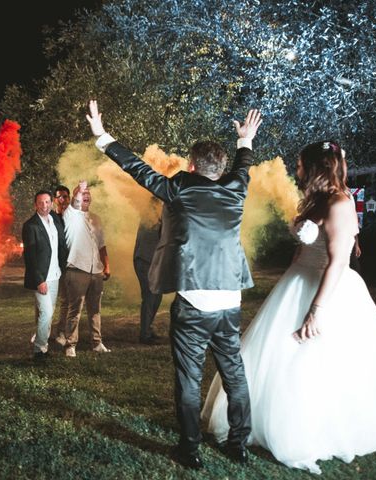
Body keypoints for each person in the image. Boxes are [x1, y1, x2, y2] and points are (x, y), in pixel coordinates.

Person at [202, 141, 376, 473]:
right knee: (273, 356)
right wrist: (289, 280)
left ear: (315, 168)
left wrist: (315, 310)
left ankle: (317, 428)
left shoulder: (339, 203)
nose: (296, 170)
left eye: (300, 165)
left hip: (328, 290)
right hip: (297, 281)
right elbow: (303, 248)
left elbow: (338, 262)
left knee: (320, 361)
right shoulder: (315, 201)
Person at [86, 100, 262, 469]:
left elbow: (137, 169)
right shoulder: (236, 188)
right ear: (220, 169)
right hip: (230, 299)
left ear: (192, 166)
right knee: (234, 373)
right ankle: (238, 444)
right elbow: (243, 165)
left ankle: (190, 449)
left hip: (194, 302)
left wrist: (103, 137)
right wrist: (245, 141)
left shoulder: (178, 190)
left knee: (189, 377)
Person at [61, 180, 111, 357]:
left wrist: (106, 265)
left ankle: (97, 343)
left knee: (95, 310)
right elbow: (75, 202)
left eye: (88, 193)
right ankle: (70, 345)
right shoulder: (70, 215)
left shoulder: (96, 218)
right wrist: (79, 190)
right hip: (77, 268)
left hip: (95, 271)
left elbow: (101, 244)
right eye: (83, 193)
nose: (86, 195)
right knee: (75, 310)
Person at [22, 190, 68, 360]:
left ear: (51, 203)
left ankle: (44, 346)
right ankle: (39, 349)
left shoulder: (55, 219)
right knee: (47, 312)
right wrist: (39, 280)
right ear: (35, 205)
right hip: (41, 277)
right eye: (41, 203)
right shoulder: (30, 226)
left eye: (47, 202)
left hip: (55, 274)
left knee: (50, 312)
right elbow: (30, 256)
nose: (44, 206)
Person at [133, 213, 163, 345]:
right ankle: (144, 335)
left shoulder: (154, 216)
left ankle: (147, 329)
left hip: (150, 261)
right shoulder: (152, 216)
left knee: (156, 296)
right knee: (150, 296)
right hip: (145, 260)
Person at [52, 185, 70, 346]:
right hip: (51, 266)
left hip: (67, 266)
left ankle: (61, 332)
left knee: (66, 301)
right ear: (54, 200)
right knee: (45, 301)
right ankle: (40, 331)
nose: (63, 200)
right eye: (60, 197)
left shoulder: (73, 217)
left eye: (65, 196)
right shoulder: (49, 217)